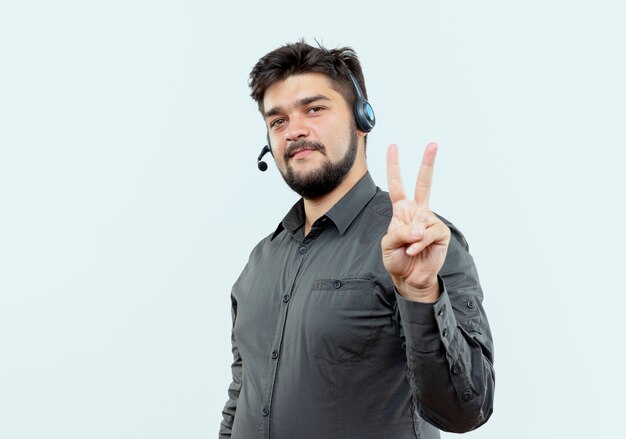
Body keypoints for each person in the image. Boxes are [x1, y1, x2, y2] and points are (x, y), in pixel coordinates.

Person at [219, 41, 495, 439]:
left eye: (314, 109)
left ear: (362, 118)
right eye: (277, 120)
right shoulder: (260, 260)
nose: (294, 130)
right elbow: (240, 395)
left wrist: (420, 291)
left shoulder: (418, 244)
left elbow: (465, 411)